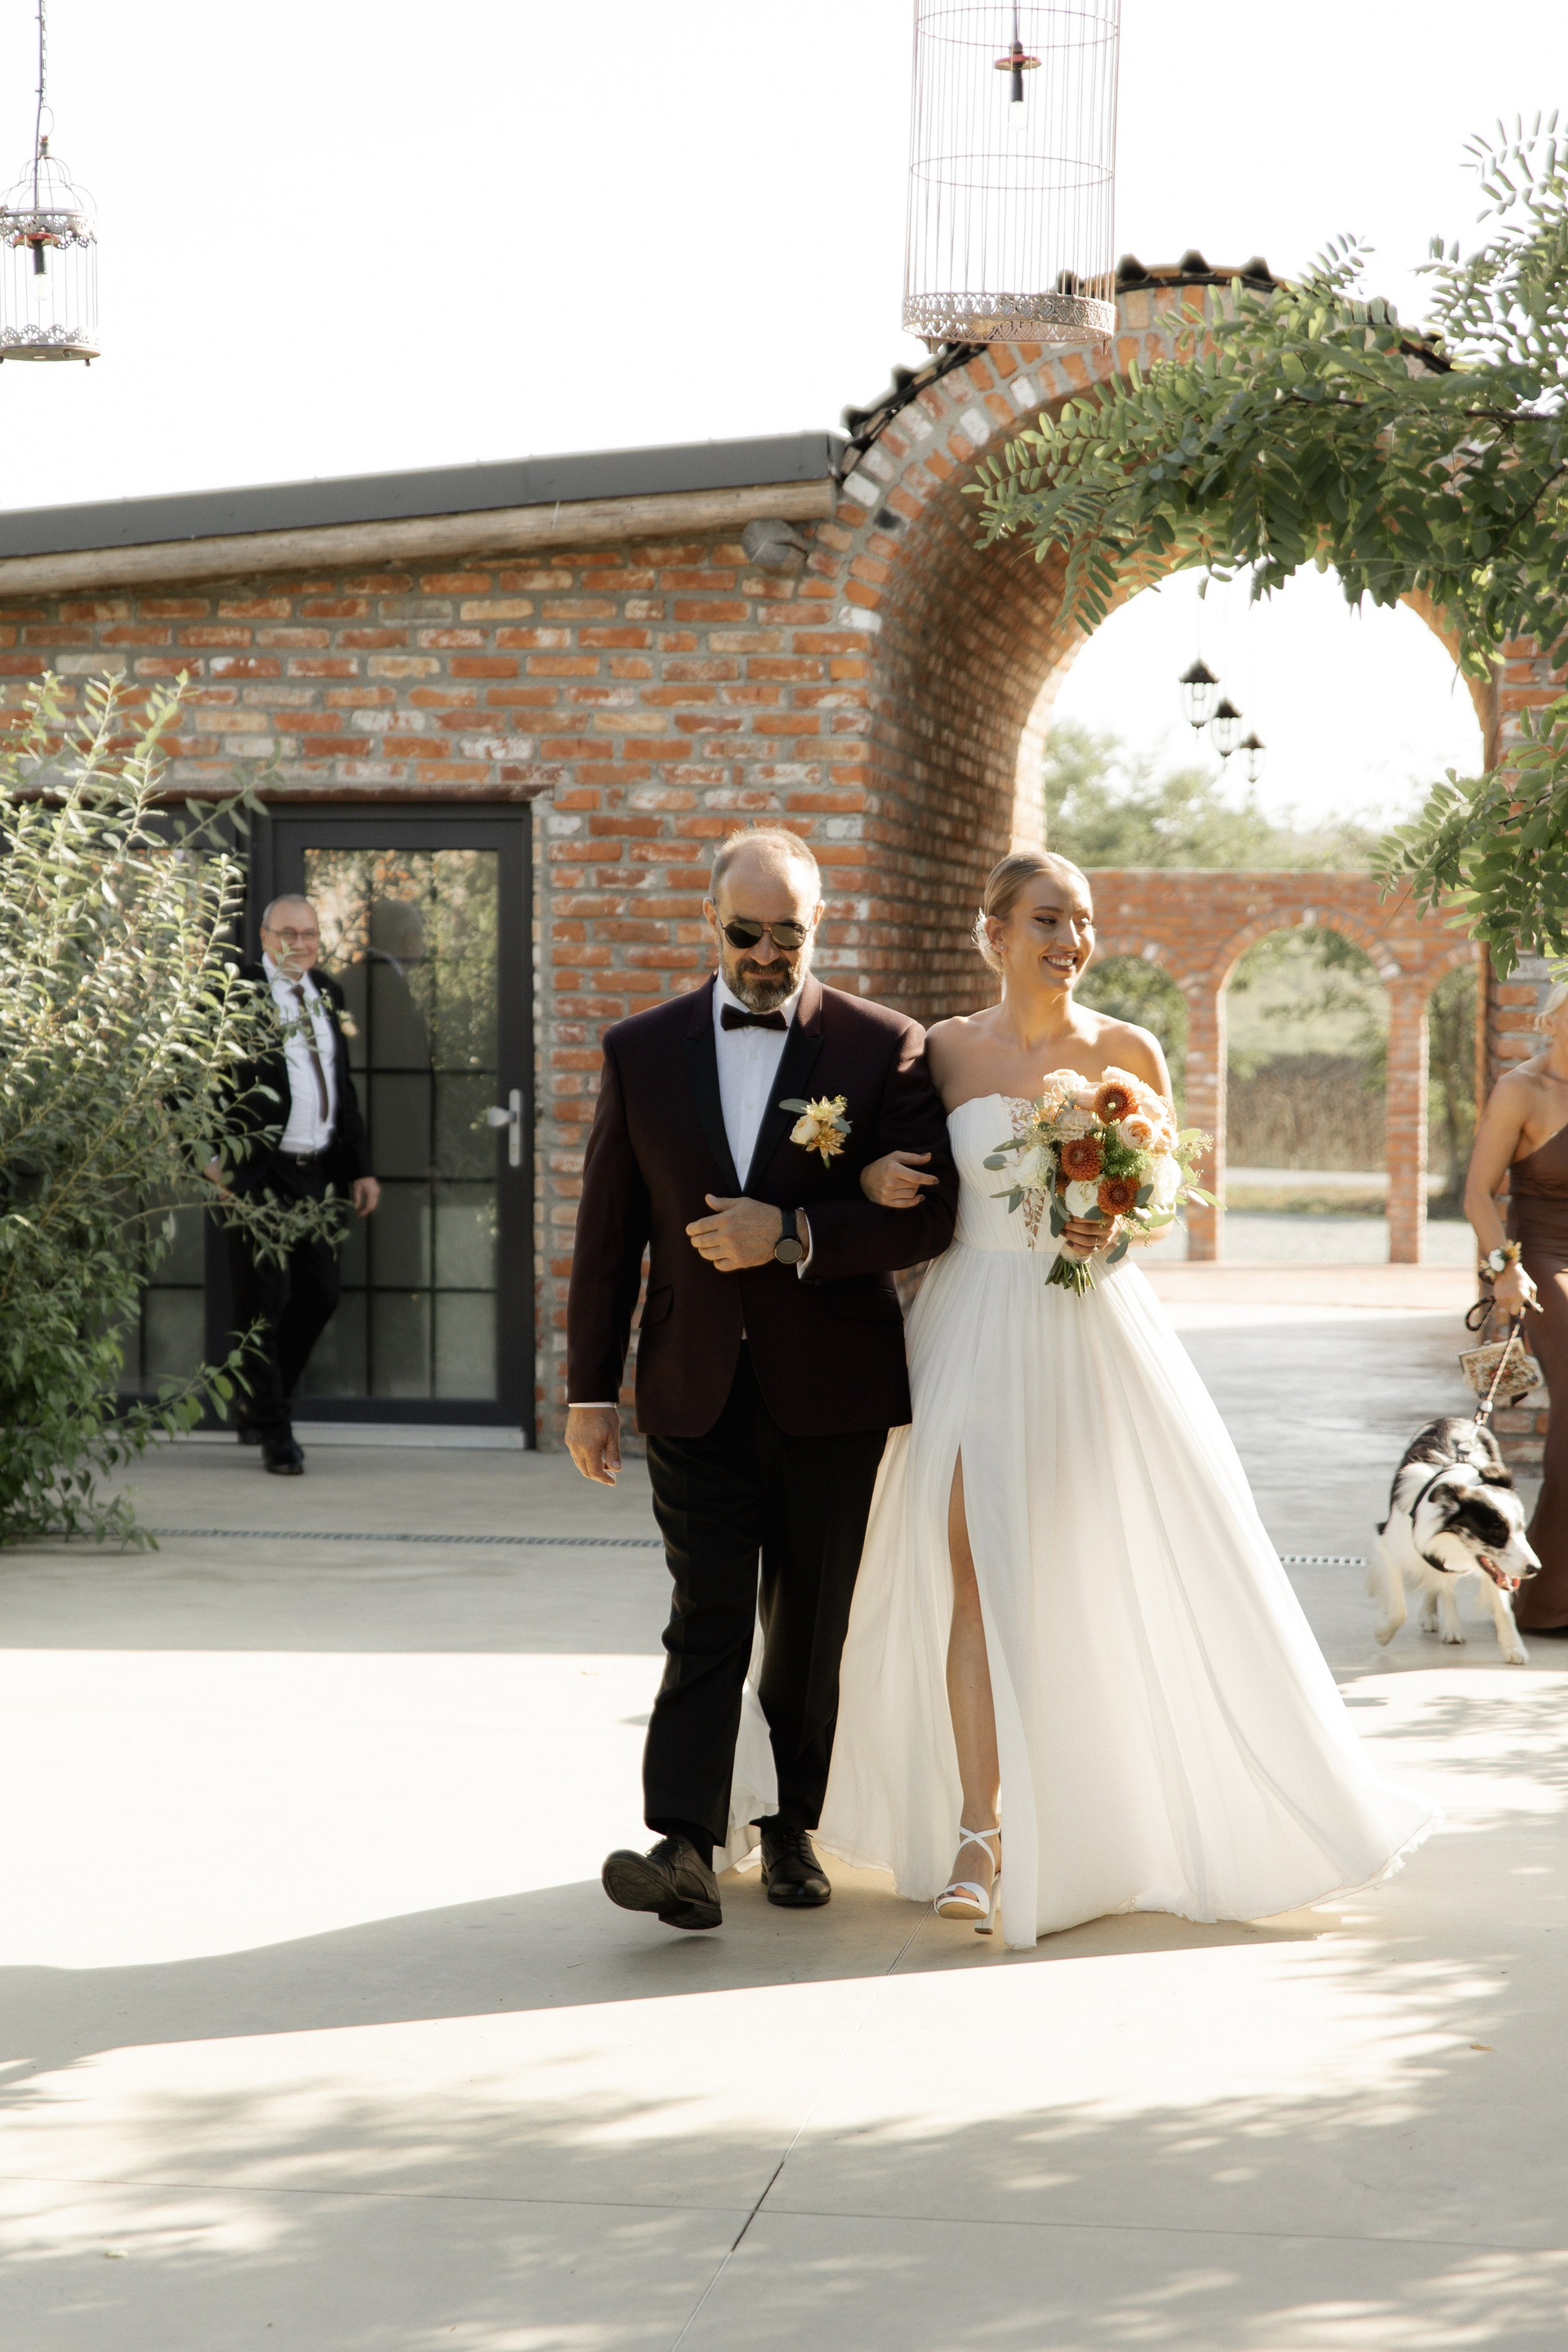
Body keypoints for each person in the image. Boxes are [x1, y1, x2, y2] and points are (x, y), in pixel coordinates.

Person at [814, 850, 1437, 1948]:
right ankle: (978, 1834)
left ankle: (1090, 1824)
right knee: (967, 1568)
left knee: (1074, 1569)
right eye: (1048, 919)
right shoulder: (943, 1050)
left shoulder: (1128, 1050)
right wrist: (867, 1176)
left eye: (1084, 921)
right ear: (994, 932)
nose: (1072, 940)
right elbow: (887, 1171)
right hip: (968, 1325)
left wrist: (1117, 1221)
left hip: (1087, 1327)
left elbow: (1158, 1198)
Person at [565, 827, 960, 1931]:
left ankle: (791, 1827)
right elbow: (608, 1234)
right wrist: (589, 1392)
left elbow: (929, 1218)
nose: (767, 955)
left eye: (788, 934)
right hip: (689, 1383)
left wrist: (792, 1232)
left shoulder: (883, 1047)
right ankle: (684, 1843)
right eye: (746, 933)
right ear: (711, 922)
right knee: (706, 1615)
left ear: (817, 925)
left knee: (809, 1625)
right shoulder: (640, 1049)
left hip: (832, 1388)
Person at [209, 895, 381, 1475]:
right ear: (264, 936)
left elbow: (342, 1086)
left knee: (321, 1293)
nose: (300, 944)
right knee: (258, 1304)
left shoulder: (327, 991)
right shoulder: (235, 993)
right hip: (258, 1171)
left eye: (309, 934)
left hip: (318, 1170)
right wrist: (207, 1158)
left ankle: (259, 1402)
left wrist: (360, 1166)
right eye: (288, 933)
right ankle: (275, 1432)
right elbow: (186, 1080)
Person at [1463, 979, 1567, 1634]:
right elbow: (1478, 1194)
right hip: (1547, 1261)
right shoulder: (1521, 1089)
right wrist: (1505, 1268)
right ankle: (1550, 1601)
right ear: (1549, 1020)